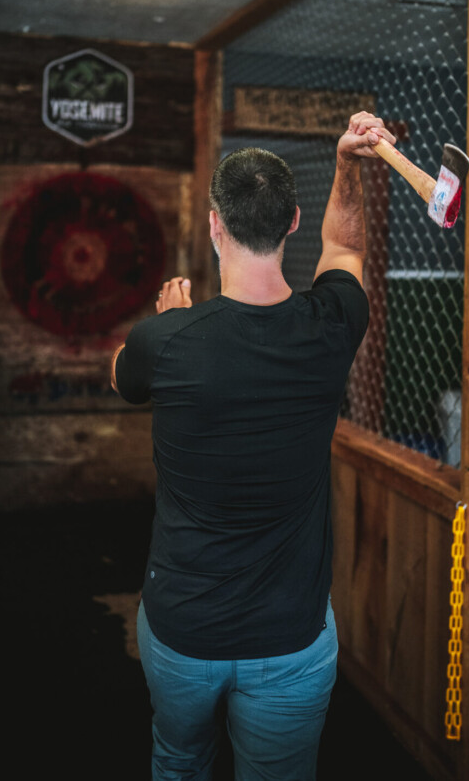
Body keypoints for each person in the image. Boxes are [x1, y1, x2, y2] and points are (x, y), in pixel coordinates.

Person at [111, 111, 395, 781]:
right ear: (292, 221)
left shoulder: (167, 341)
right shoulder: (333, 327)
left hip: (183, 630)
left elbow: (125, 372)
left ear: (215, 222)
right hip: (290, 637)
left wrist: (170, 327)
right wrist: (348, 163)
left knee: (179, 760)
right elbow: (347, 250)